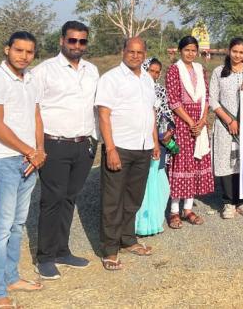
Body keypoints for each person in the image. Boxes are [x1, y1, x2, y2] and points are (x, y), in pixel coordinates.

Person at [0, 31, 46, 308]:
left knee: (18, 224)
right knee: (1, 229)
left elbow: (36, 116)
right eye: (19, 50)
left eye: (29, 52)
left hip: (29, 161)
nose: (24, 56)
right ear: (7, 50)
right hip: (4, 161)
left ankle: (11, 276)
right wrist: (29, 151)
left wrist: (39, 151)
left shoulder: (31, 79)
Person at [32, 20, 99, 279]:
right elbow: (33, 108)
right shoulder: (44, 71)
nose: (77, 45)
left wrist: (96, 140)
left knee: (69, 198)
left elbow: (96, 107)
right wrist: (37, 147)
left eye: (82, 41)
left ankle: (62, 250)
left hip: (83, 145)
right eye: (72, 40)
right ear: (62, 40)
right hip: (54, 144)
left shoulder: (91, 70)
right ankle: (45, 257)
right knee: (52, 200)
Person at [95, 37, 161, 271]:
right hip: (120, 147)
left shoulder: (146, 79)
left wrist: (154, 141)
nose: (135, 55)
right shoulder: (111, 79)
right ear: (123, 51)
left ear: (145, 54)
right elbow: (104, 114)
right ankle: (110, 249)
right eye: (131, 51)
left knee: (134, 197)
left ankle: (128, 239)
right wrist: (110, 148)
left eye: (140, 52)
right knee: (113, 200)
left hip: (142, 147)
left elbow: (150, 112)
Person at [166, 36, 215, 228]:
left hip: (199, 122)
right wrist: (190, 122)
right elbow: (174, 100)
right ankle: (174, 211)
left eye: (193, 50)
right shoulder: (173, 70)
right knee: (181, 164)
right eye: (187, 49)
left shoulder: (200, 69)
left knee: (195, 163)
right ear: (180, 51)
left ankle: (188, 208)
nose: (190, 53)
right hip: (182, 120)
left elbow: (207, 96)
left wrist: (202, 121)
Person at [211, 37, 243, 219]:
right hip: (225, 124)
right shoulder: (218, 71)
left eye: (241, 52)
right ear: (229, 51)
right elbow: (212, 99)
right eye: (234, 51)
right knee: (226, 162)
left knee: (241, 162)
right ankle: (228, 202)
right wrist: (229, 121)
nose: (237, 55)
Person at [135, 58, 172, 237]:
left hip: (159, 142)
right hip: (140, 141)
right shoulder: (136, 89)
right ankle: (141, 224)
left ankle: (155, 221)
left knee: (160, 184)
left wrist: (169, 132)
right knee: (142, 183)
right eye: (151, 70)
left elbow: (167, 114)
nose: (154, 75)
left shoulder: (161, 91)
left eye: (158, 72)